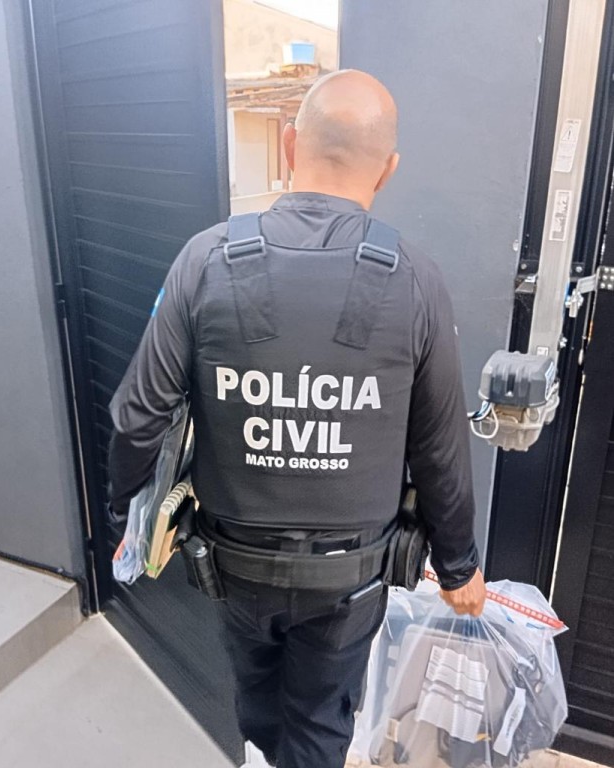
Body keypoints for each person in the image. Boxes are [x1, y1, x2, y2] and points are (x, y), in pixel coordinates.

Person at [108, 69, 487, 768]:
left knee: (258, 709)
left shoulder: (204, 259)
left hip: (233, 570)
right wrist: (460, 566)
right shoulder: (416, 278)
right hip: (349, 584)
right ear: (388, 169)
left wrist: (124, 518)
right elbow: (439, 450)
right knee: (317, 729)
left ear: (289, 145)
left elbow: (138, 417)